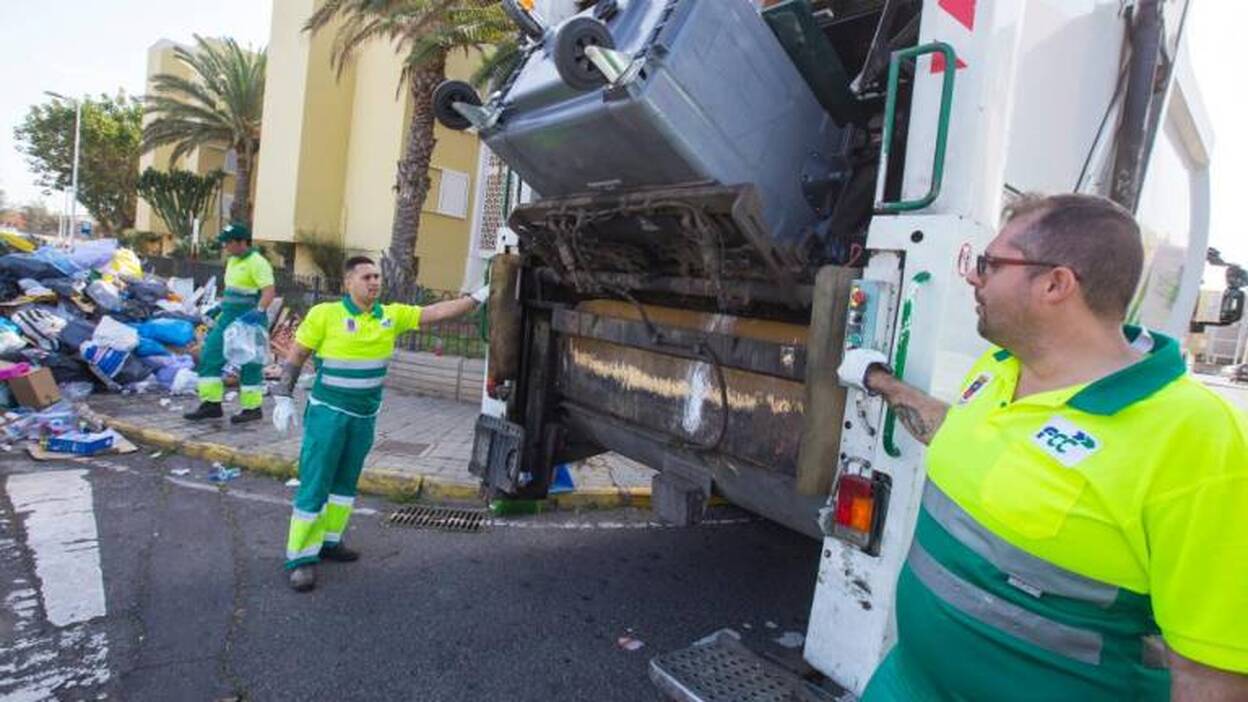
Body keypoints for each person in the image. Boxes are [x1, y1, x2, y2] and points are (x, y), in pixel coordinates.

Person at [837, 193, 1248, 700]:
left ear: (1056, 283)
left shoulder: (1196, 441)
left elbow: (1212, 677)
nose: (973, 276)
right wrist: (881, 381)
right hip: (909, 682)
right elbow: (963, 437)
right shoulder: (1002, 367)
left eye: (990, 264)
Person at [271, 256, 489, 592]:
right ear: (348, 283)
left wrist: (478, 297)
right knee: (316, 482)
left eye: (377, 276)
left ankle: (331, 541)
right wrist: (283, 395)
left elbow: (436, 312)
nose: (375, 282)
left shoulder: (390, 315)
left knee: (344, 485)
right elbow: (297, 355)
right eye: (367, 277)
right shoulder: (326, 314)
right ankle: (301, 559)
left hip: (364, 417)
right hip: (328, 412)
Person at [184, 223, 275, 424]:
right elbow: (232, 289)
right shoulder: (233, 261)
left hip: (249, 321)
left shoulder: (258, 263)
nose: (225, 247)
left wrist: (258, 312)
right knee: (210, 356)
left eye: (228, 242)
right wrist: (220, 306)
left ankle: (252, 408)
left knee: (250, 364)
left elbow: (269, 291)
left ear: (242, 242)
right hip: (228, 318)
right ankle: (211, 404)